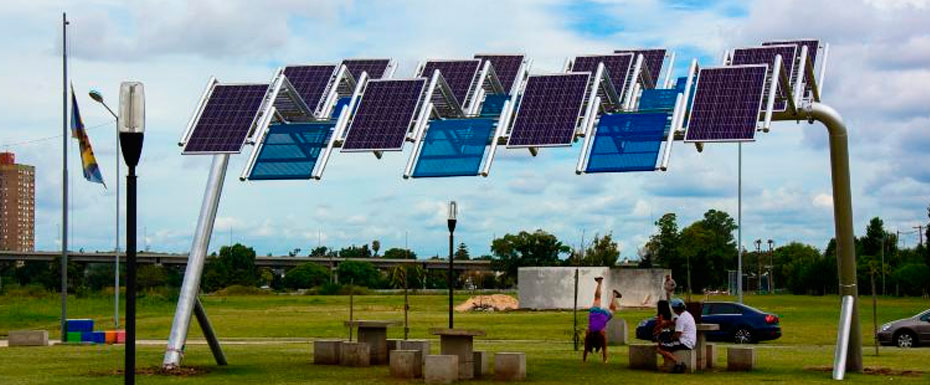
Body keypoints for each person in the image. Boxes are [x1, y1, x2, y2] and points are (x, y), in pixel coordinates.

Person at [583, 276, 621, 363]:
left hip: (603, 316)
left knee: (612, 310)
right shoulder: (589, 334)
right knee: (597, 298)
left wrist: (605, 360)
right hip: (594, 314)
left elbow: (604, 350)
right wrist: (583, 360)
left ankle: (614, 295)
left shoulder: (601, 334)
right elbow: (585, 350)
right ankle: (599, 283)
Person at [656, 298, 696, 373]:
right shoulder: (687, 314)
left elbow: (677, 335)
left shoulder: (681, 318)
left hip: (684, 343)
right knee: (665, 341)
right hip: (690, 341)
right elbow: (674, 322)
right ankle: (665, 364)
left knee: (659, 348)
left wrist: (670, 338)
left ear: (674, 308)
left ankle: (678, 363)